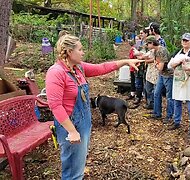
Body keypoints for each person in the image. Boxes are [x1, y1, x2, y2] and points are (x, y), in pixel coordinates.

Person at [46, 34, 142, 179]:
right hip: (70, 125)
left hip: (84, 123)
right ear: (69, 52)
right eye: (80, 49)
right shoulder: (56, 72)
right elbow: (55, 106)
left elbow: (102, 67)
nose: (83, 52)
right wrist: (72, 131)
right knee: (72, 169)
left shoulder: (78, 68)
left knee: (78, 165)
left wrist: (126, 61)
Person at [167, 33, 190, 139]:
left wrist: (188, 69)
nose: (185, 42)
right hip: (179, 81)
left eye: (187, 40)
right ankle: (177, 122)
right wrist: (177, 63)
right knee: (177, 101)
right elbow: (169, 65)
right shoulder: (178, 52)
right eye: (183, 40)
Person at [146, 36, 174, 124]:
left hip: (168, 75)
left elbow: (160, 67)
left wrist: (156, 64)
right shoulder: (155, 51)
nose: (147, 46)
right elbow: (156, 63)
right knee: (156, 93)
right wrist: (156, 64)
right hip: (162, 75)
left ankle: (169, 116)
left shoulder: (162, 51)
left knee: (169, 97)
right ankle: (157, 113)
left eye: (148, 44)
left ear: (152, 43)